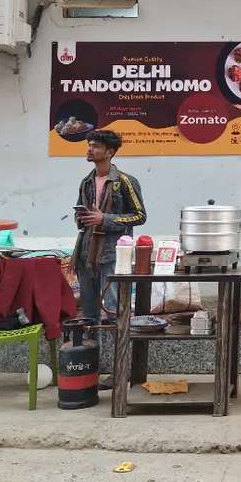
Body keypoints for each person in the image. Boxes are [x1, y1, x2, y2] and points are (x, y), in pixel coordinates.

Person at [72, 130, 146, 386]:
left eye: (95, 146)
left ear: (110, 152)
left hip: (113, 255)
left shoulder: (125, 181)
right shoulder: (86, 181)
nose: (89, 149)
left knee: (114, 313)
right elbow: (82, 217)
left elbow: (139, 216)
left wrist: (105, 218)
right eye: (89, 145)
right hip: (86, 253)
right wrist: (82, 217)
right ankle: (89, 371)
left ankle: (120, 370)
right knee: (89, 316)